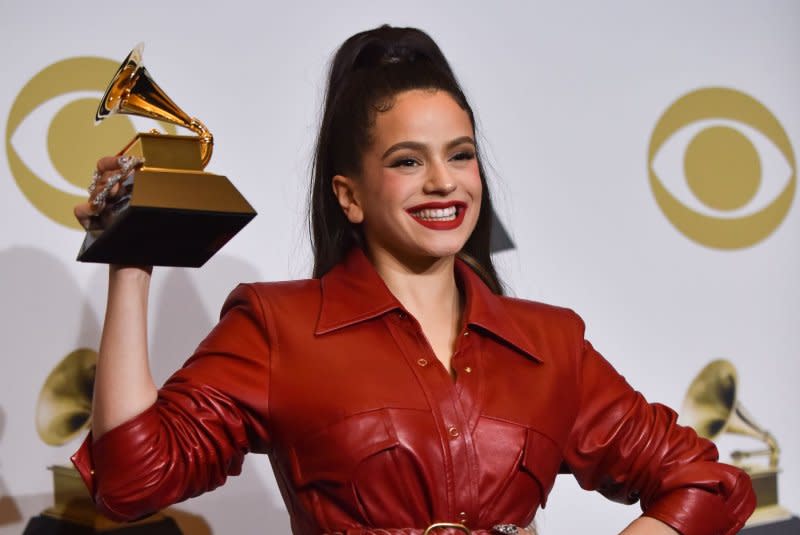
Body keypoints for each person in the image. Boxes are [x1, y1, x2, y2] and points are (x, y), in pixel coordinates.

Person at [72, 25, 756, 535]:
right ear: (350, 195)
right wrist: (130, 257)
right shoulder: (275, 326)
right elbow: (133, 480)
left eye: (460, 155)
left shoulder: (550, 343)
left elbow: (709, 482)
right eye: (407, 160)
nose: (443, 181)